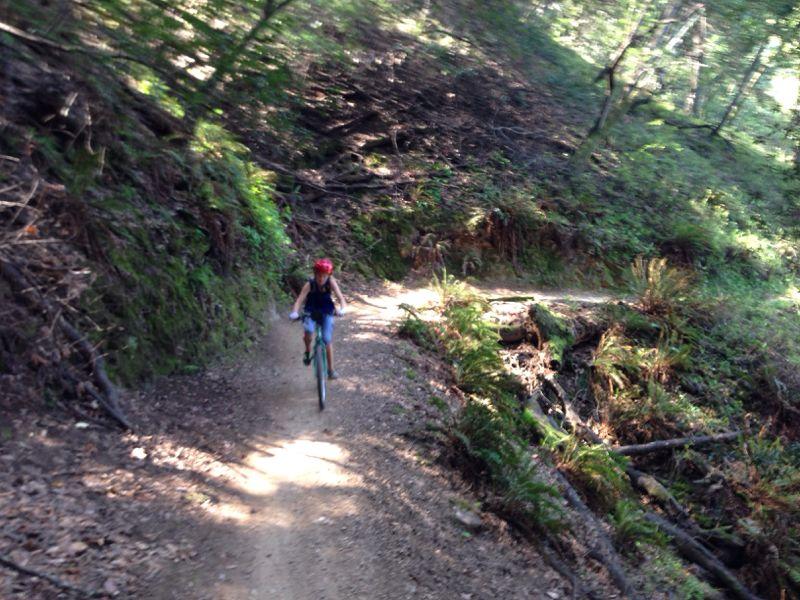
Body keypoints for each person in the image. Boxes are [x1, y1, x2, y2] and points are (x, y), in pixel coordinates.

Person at [289, 258, 347, 379]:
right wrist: (295, 312)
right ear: (315, 274)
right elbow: (300, 299)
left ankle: (331, 370)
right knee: (309, 331)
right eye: (319, 275)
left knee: (327, 339)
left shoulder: (331, 282)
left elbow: (341, 298)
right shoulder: (310, 283)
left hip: (327, 311)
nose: (321, 279)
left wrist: (342, 309)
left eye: (324, 276)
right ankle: (307, 351)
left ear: (328, 275)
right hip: (311, 311)